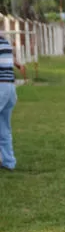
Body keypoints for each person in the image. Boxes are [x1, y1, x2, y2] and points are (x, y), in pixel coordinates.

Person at [0, 30, 26, 171]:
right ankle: (9, 162)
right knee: (4, 128)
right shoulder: (5, 43)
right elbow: (14, 62)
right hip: (10, 88)